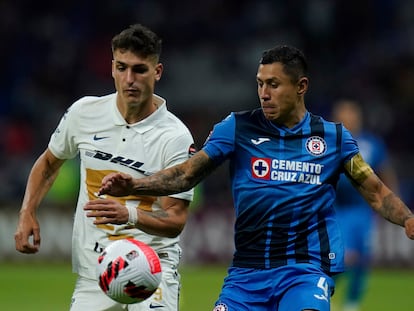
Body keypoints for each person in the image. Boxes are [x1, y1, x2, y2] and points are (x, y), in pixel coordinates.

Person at [94, 45, 414, 311]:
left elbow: (376, 192)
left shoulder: (333, 138)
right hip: (247, 274)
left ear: (300, 86)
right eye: (260, 83)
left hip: (305, 271)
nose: (264, 93)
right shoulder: (237, 128)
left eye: (273, 84)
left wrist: (407, 219)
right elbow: (187, 174)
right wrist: (136, 184)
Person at [14, 24, 196, 311]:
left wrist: (130, 215)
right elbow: (49, 162)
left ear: (157, 72)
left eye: (140, 69)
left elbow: (175, 222)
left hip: (151, 269)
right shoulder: (84, 113)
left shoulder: (175, 137)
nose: (129, 79)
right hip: (97, 271)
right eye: (122, 67)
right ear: (111, 67)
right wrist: (27, 212)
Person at [331, 99, 400, 311]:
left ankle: (351, 304)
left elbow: (386, 174)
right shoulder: (329, 143)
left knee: (362, 260)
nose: (348, 120)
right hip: (337, 210)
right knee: (344, 257)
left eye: (351, 115)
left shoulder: (372, 144)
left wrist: (393, 205)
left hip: (364, 211)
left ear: (358, 118)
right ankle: (322, 292)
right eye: (343, 116)